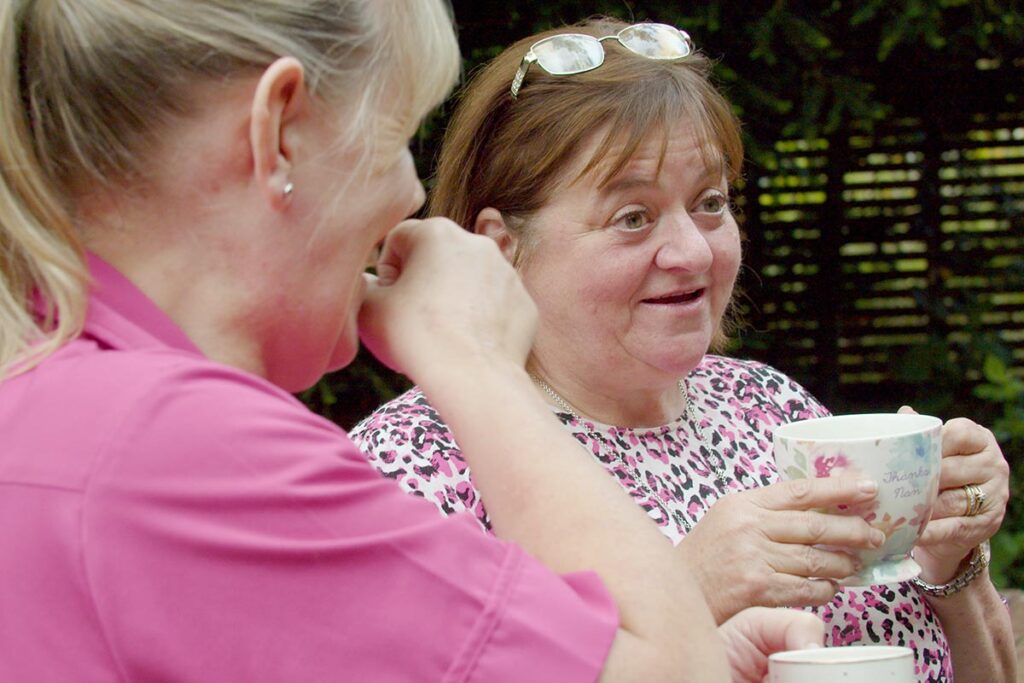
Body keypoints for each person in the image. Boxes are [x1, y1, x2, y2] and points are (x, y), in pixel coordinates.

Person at [0, 2, 825, 682]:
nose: (413, 193)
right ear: (279, 131)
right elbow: (673, 672)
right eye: (398, 135)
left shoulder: (56, 400)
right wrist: (473, 358)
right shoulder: (183, 447)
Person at [351, 17, 1016, 683]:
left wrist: (950, 562)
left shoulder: (768, 406)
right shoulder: (417, 466)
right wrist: (687, 586)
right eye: (632, 217)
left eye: (709, 202)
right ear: (502, 246)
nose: (694, 251)